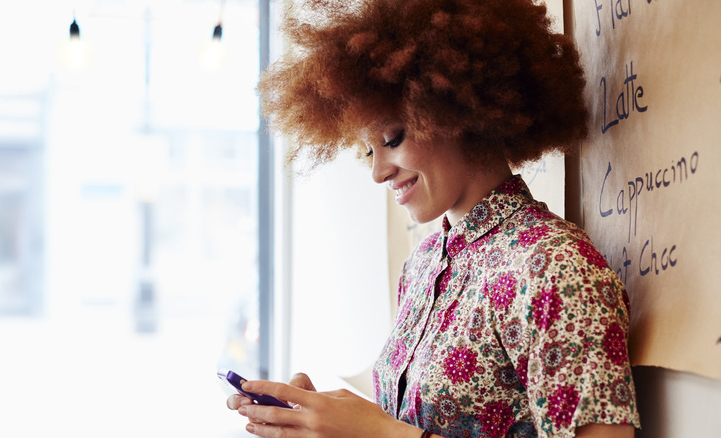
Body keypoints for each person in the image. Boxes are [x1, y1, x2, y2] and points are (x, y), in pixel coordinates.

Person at [227, 0, 641, 436]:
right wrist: (327, 424)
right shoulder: (423, 265)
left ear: (457, 109)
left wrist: (383, 434)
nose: (377, 171)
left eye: (391, 139)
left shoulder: (555, 266)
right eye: (368, 150)